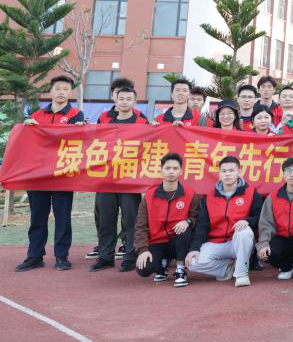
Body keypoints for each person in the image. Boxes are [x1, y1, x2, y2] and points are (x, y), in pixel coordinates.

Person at [16, 75, 84, 272]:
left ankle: (62, 257)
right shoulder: (36, 116)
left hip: (62, 174)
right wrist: (27, 128)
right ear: (51, 91)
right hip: (38, 175)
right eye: (58, 88)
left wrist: (80, 130)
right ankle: (35, 256)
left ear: (70, 92)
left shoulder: (76, 115)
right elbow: (27, 142)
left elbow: (78, 141)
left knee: (62, 218)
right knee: (37, 217)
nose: (62, 92)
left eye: (65, 89)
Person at [186, 156, 264, 286]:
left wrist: (248, 221)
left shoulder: (251, 193)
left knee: (244, 231)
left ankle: (241, 273)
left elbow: (259, 216)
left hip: (238, 242)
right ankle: (227, 268)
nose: (227, 174)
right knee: (192, 262)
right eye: (224, 171)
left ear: (239, 172)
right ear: (219, 173)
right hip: (216, 242)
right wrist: (194, 248)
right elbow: (202, 226)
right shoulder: (209, 197)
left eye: (231, 170)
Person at [92, 79, 144, 272]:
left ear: (134, 102)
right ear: (115, 99)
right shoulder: (104, 120)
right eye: (121, 98)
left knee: (131, 220)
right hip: (106, 179)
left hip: (130, 179)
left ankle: (130, 256)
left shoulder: (142, 121)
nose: (124, 102)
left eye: (128, 99)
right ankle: (105, 257)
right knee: (106, 220)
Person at [134, 152, 200, 287]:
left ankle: (180, 269)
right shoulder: (149, 195)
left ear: (181, 171)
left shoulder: (190, 193)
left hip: (178, 241)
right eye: (167, 168)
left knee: (185, 230)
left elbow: (197, 218)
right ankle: (162, 265)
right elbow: (141, 225)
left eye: (175, 168)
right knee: (144, 269)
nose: (171, 172)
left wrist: (188, 221)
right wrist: (143, 250)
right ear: (161, 170)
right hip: (156, 242)